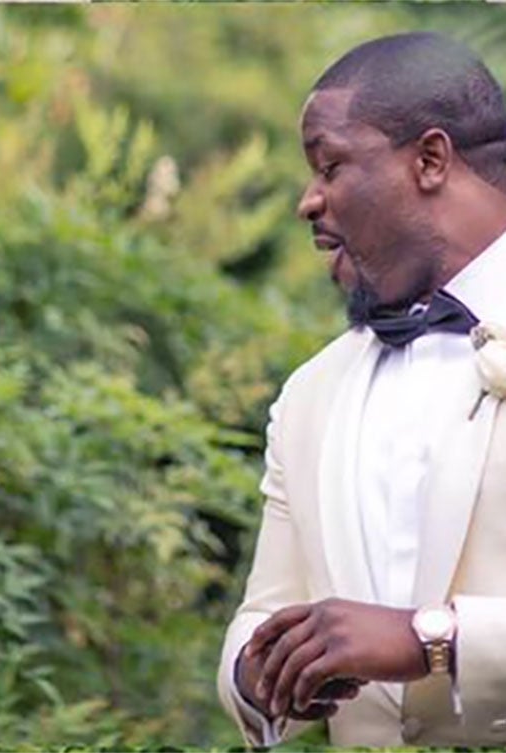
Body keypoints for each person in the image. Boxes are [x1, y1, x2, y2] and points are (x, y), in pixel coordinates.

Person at [217, 31, 506, 746]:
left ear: (429, 160)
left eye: (330, 165)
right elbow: (260, 616)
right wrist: (261, 673)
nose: (307, 202)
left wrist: (429, 640)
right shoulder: (311, 393)